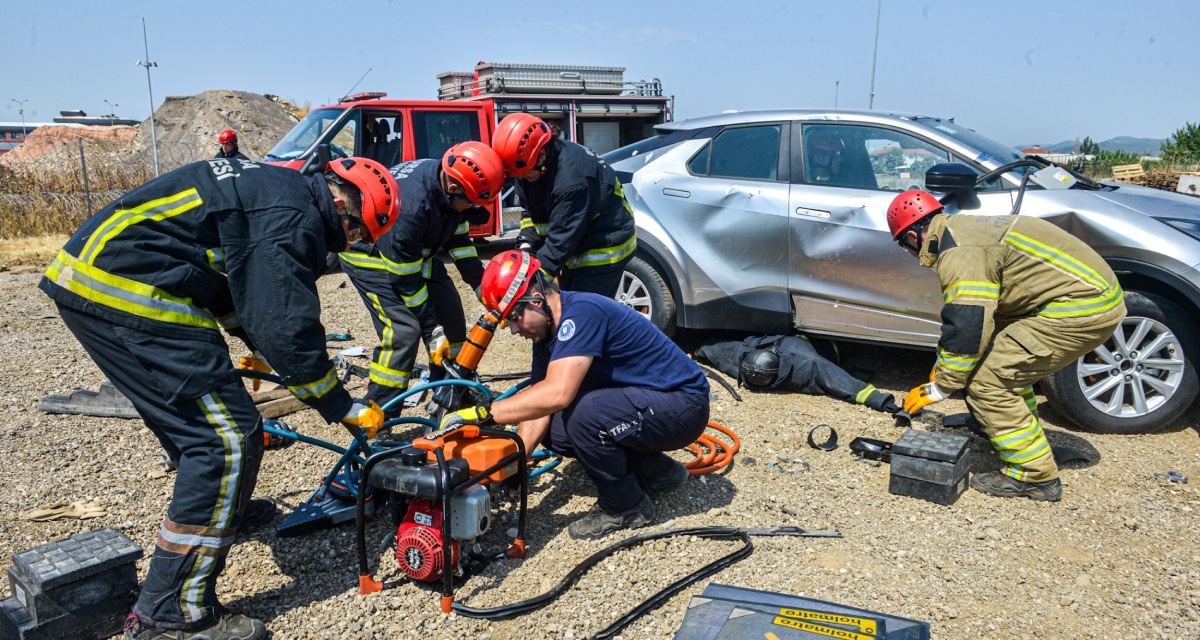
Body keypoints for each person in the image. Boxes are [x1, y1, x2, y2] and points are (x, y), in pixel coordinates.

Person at [40, 155, 399, 640]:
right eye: (356, 232)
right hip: (129, 289)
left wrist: (267, 349)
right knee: (226, 440)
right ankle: (170, 613)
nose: (350, 245)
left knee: (200, 423)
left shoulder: (280, 192)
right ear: (341, 205)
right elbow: (286, 326)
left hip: (101, 275)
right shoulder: (292, 219)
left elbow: (240, 291)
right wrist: (342, 405)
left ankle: (222, 505)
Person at [438, 250, 710, 539]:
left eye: (515, 318)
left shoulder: (581, 314)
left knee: (584, 415)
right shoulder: (547, 334)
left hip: (683, 404)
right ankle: (656, 471)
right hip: (651, 404)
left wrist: (484, 414)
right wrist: (514, 466)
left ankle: (625, 507)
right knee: (556, 430)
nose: (515, 330)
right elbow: (539, 400)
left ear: (537, 299)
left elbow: (558, 393)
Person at [887, 189, 1126, 502]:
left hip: (1078, 309)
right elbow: (977, 321)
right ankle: (1017, 436)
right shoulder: (961, 229)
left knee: (989, 384)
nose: (908, 253)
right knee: (1003, 368)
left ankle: (1034, 476)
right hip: (1087, 298)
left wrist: (941, 387)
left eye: (904, 245)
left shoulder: (958, 252)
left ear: (914, 234)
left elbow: (968, 324)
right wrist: (946, 362)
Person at [339, 141, 504, 418]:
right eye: (471, 203)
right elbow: (406, 280)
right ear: (453, 189)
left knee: (451, 316)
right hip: (372, 256)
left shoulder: (448, 181)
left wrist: (481, 284)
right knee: (403, 331)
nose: (472, 208)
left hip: (414, 256)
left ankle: (448, 394)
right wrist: (430, 329)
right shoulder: (411, 208)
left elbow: (459, 238)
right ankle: (377, 414)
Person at [491, 113, 636, 297]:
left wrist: (528, 284)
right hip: (575, 239)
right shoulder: (527, 165)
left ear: (542, 156)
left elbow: (560, 242)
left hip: (603, 246)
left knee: (583, 312)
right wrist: (526, 245)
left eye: (525, 175)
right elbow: (531, 212)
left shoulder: (571, 182)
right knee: (567, 300)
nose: (522, 180)